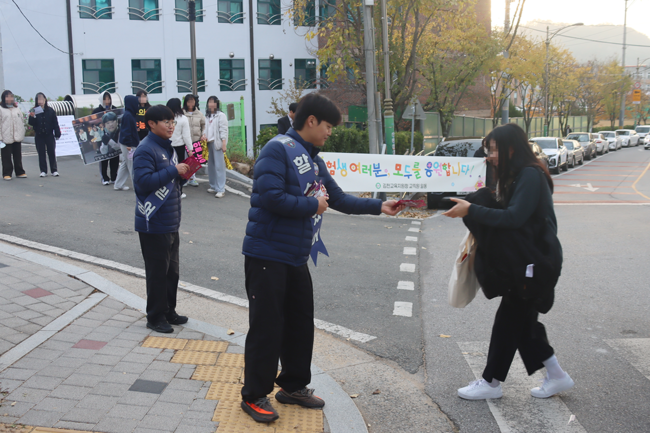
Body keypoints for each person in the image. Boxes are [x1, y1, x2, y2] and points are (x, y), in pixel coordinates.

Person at [240, 93, 405, 423]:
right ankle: (254, 395)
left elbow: (338, 198)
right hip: (267, 254)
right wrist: (310, 206)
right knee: (267, 327)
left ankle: (293, 386)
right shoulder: (277, 149)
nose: (330, 132)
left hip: (295, 256)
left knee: (300, 324)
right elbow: (270, 197)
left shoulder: (313, 159)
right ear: (311, 121)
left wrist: (378, 206)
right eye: (328, 125)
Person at [442, 123, 574, 401]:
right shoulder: (518, 174)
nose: (489, 155)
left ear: (511, 148)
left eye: (492, 149)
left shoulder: (530, 174)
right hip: (527, 260)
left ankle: (491, 382)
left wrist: (472, 209)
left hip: (534, 262)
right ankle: (556, 375)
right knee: (523, 323)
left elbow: (514, 218)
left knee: (509, 321)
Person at [133, 105, 190, 333]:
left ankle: (169, 311)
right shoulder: (145, 149)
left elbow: (170, 182)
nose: (170, 125)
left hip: (170, 221)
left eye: (172, 121)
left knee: (171, 272)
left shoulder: (167, 148)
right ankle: (155, 316)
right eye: (165, 121)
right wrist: (174, 170)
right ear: (151, 124)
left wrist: (183, 175)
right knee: (157, 273)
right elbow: (143, 182)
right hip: (153, 222)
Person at [28, 92, 61, 177]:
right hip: (39, 135)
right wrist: (32, 116)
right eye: (38, 99)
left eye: (41, 99)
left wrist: (57, 132)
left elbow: (55, 122)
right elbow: (31, 123)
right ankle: (43, 171)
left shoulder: (50, 110)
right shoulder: (34, 110)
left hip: (49, 134)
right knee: (41, 153)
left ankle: (54, 170)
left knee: (51, 152)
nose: (40, 101)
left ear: (45, 100)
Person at [166, 98, 194, 199]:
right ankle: (179, 191)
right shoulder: (182, 118)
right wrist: (190, 149)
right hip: (179, 147)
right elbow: (186, 136)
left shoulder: (166, 118)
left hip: (167, 146)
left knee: (167, 168)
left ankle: (167, 191)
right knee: (180, 170)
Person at [203, 96, 228, 198]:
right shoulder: (208, 116)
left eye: (213, 102)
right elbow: (205, 129)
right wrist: (203, 135)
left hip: (217, 143)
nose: (211, 104)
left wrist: (224, 143)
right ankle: (213, 186)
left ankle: (221, 189)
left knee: (219, 167)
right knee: (211, 166)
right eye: (210, 102)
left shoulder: (221, 115)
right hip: (209, 143)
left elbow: (224, 130)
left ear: (217, 104)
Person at [114, 95, 140, 191]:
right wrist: (129, 145)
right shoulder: (129, 115)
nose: (137, 105)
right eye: (136, 103)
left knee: (126, 164)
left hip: (127, 144)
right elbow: (126, 131)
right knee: (132, 165)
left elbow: (127, 130)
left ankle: (118, 184)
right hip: (129, 145)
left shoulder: (129, 114)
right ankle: (137, 187)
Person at [0, 90, 26, 180]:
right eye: (7, 97)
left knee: (18, 156)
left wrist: (22, 133)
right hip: (5, 137)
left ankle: (20, 172)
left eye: (11, 96)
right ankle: (7, 173)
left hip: (17, 137)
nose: (9, 98)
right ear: (3, 98)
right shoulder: (1, 109)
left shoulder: (16, 109)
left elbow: (21, 121)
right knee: (6, 157)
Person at [93, 92, 118, 185]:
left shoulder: (114, 109)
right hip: (102, 138)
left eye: (108, 99)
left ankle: (114, 177)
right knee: (103, 158)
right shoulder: (97, 111)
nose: (107, 101)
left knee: (114, 158)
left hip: (114, 136)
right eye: (105, 99)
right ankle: (104, 178)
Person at [182, 94, 203, 188]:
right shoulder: (182, 113)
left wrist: (203, 134)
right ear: (186, 102)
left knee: (194, 160)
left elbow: (204, 125)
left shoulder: (199, 113)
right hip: (184, 141)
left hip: (195, 141)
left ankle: (192, 178)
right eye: (189, 101)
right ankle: (185, 178)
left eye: (193, 101)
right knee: (185, 160)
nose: (191, 103)